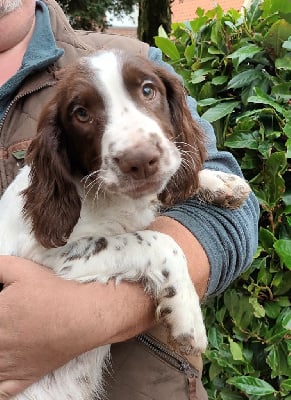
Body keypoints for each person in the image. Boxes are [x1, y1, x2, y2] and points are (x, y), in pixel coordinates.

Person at [0, 0, 259, 399]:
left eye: (147, 91)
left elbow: (235, 220)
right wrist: (157, 254)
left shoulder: (138, 57)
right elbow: (52, 245)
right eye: (84, 114)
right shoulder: (53, 169)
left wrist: (83, 317)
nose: (137, 150)